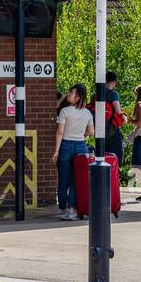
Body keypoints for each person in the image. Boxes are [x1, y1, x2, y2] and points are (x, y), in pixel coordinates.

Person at [53, 84, 94, 221]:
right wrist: (84, 135)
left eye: (71, 93)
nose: (68, 95)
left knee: (63, 180)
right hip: (81, 148)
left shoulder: (65, 111)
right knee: (76, 181)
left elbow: (60, 132)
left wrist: (56, 151)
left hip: (65, 145)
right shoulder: (87, 113)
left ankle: (63, 209)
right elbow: (92, 132)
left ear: (78, 97)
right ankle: (72, 209)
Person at [96, 71, 126, 165]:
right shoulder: (113, 94)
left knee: (102, 155)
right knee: (114, 157)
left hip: (98, 129)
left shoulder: (95, 94)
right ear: (114, 82)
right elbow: (118, 111)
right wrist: (124, 117)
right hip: (111, 129)